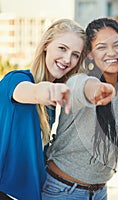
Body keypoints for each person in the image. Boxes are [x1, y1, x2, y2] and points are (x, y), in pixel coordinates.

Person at [42, 18, 118, 200]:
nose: (111, 52)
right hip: (62, 191)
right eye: (101, 47)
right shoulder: (80, 80)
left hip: (100, 192)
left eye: (117, 45)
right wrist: (96, 90)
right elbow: (80, 88)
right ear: (90, 54)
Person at [0, 19, 86, 200]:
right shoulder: (15, 80)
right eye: (62, 48)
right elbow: (32, 92)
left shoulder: (52, 107)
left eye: (75, 55)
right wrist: (48, 90)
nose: (67, 59)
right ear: (46, 45)